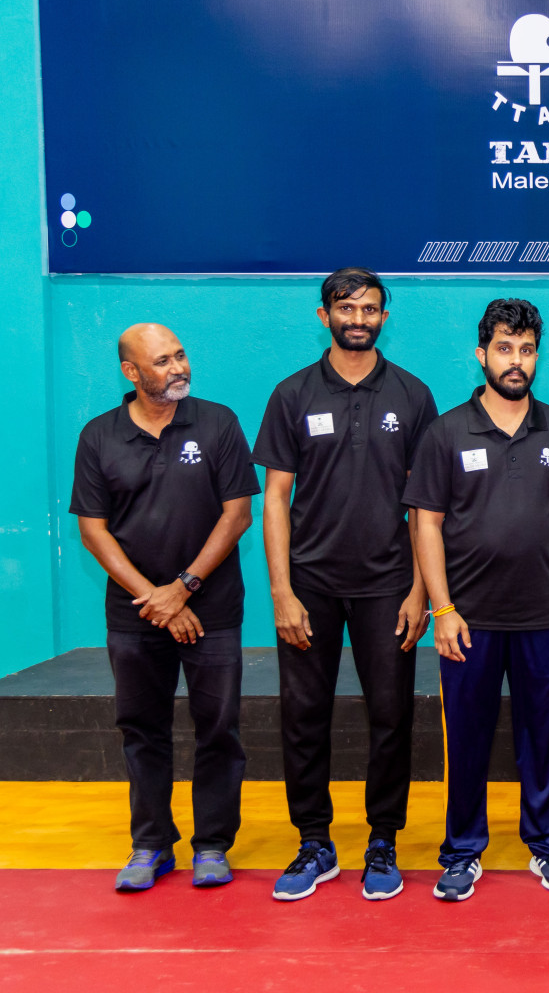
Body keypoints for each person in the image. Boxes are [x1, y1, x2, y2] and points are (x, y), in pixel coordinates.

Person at [253, 267, 437, 901]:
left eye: (370, 308)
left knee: (391, 717)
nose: (358, 317)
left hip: (389, 586)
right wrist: (282, 591)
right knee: (304, 716)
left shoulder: (413, 396)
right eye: (346, 307)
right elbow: (275, 499)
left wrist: (420, 591)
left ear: (385, 317)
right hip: (311, 586)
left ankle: (382, 840)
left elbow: (425, 505)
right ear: (324, 314)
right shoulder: (292, 394)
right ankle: (314, 842)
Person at [403, 299, 549, 901]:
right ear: (481, 355)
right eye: (505, 349)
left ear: (537, 357)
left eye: (527, 349)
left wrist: (532, 523)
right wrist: (443, 609)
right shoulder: (447, 431)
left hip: (544, 614)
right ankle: (461, 852)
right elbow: (426, 523)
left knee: (543, 739)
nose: (516, 361)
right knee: (468, 738)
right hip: (469, 619)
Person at [71, 324, 259, 892]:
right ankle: (151, 843)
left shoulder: (218, 422)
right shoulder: (98, 436)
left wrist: (182, 587)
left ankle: (211, 846)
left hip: (213, 609)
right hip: (135, 614)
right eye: (162, 361)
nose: (179, 368)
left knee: (218, 728)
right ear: (131, 373)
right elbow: (93, 531)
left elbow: (237, 515)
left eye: (181, 355)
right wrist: (156, 600)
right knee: (141, 729)